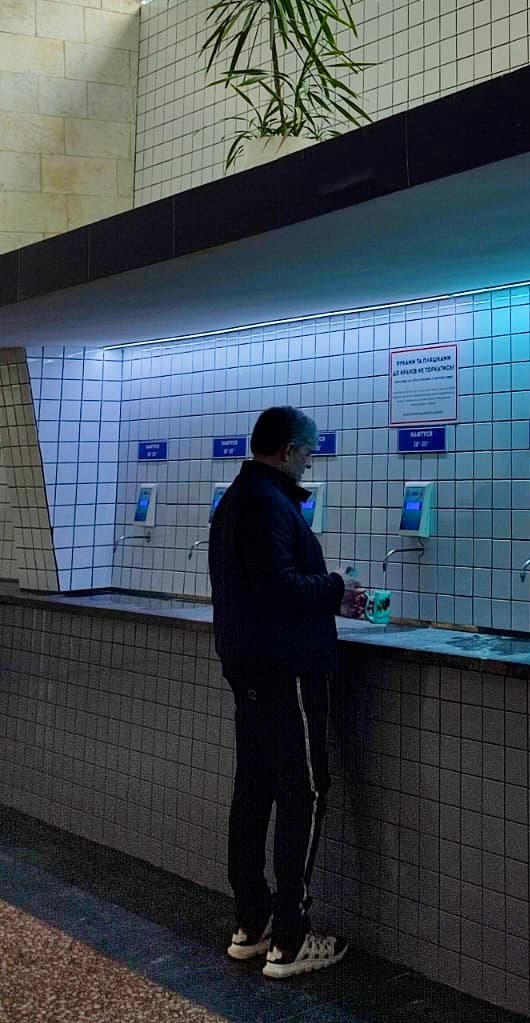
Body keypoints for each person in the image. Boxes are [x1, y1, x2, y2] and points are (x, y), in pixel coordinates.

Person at [208, 406, 365, 979]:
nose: (309, 463)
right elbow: (278, 586)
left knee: (254, 788)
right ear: (287, 450)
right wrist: (335, 588)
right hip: (286, 670)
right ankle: (292, 938)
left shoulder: (236, 499)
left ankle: (252, 923)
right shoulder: (268, 503)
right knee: (304, 790)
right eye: (308, 453)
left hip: (249, 667)